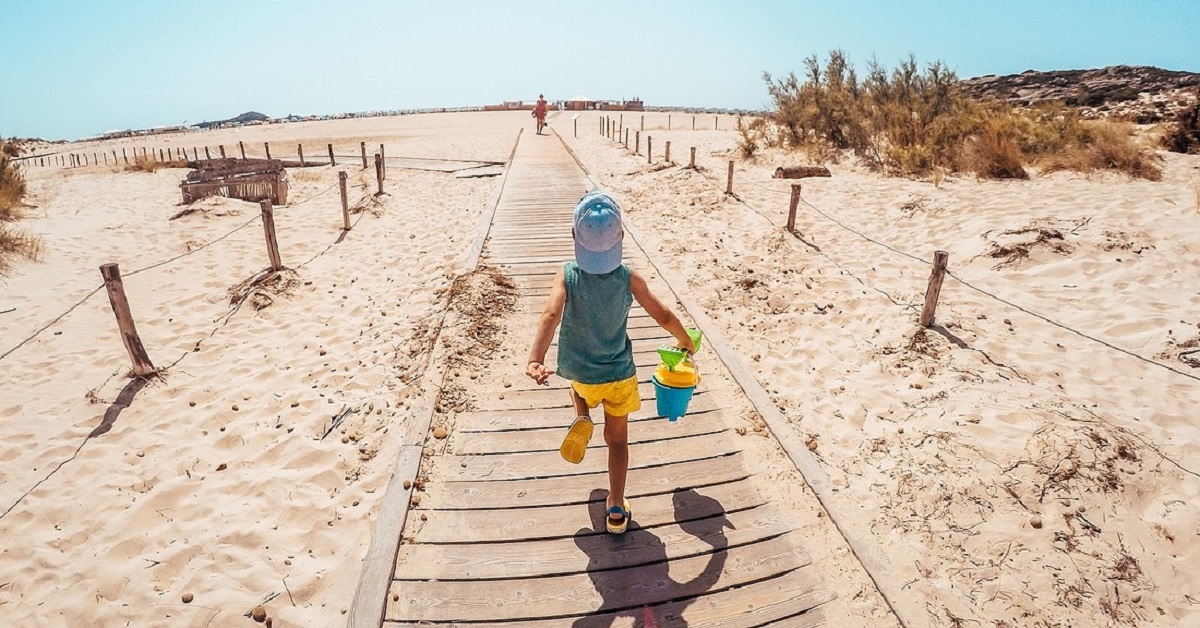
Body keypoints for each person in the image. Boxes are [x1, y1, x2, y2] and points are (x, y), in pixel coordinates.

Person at [526, 191, 697, 534]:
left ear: (575, 236)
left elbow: (550, 314)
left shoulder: (567, 275)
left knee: (577, 384)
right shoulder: (628, 278)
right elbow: (661, 313)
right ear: (620, 237)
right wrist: (685, 340)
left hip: (582, 372)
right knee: (617, 441)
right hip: (619, 375)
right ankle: (617, 508)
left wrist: (535, 358)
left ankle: (582, 415)